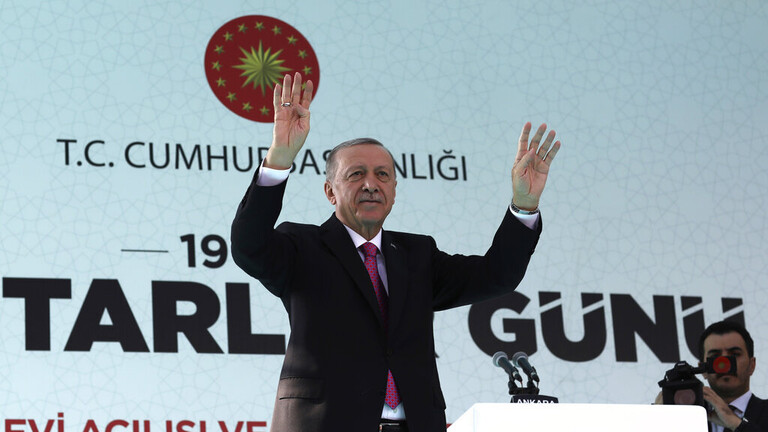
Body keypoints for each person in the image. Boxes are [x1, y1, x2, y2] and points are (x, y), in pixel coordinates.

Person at [230, 72, 561, 432]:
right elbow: (249, 246)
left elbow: (497, 276)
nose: (371, 184)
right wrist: (279, 159)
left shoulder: (417, 255)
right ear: (330, 192)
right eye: (356, 174)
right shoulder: (302, 246)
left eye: (383, 175)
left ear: (394, 191)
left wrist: (524, 205)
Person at [698, 321, 768, 431]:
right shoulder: (688, 418)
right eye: (715, 356)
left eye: (735, 354)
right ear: (703, 369)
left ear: (752, 365)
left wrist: (735, 422)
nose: (724, 364)